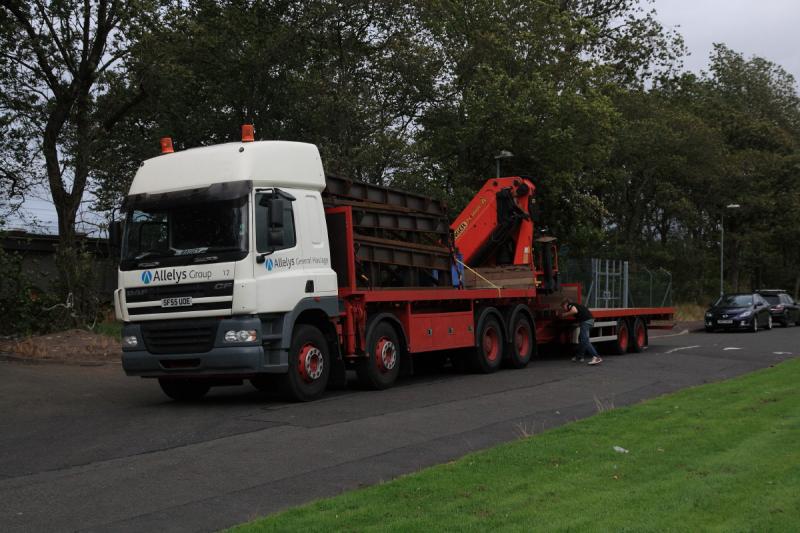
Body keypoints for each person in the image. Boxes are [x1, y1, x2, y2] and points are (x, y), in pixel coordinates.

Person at [560, 298, 602, 365]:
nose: (564, 309)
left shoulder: (570, 305)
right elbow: (580, 314)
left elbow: (575, 311)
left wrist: (564, 314)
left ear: (565, 304)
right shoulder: (577, 305)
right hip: (589, 321)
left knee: (585, 340)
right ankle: (579, 356)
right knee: (581, 339)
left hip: (586, 322)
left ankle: (596, 357)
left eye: (563, 307)